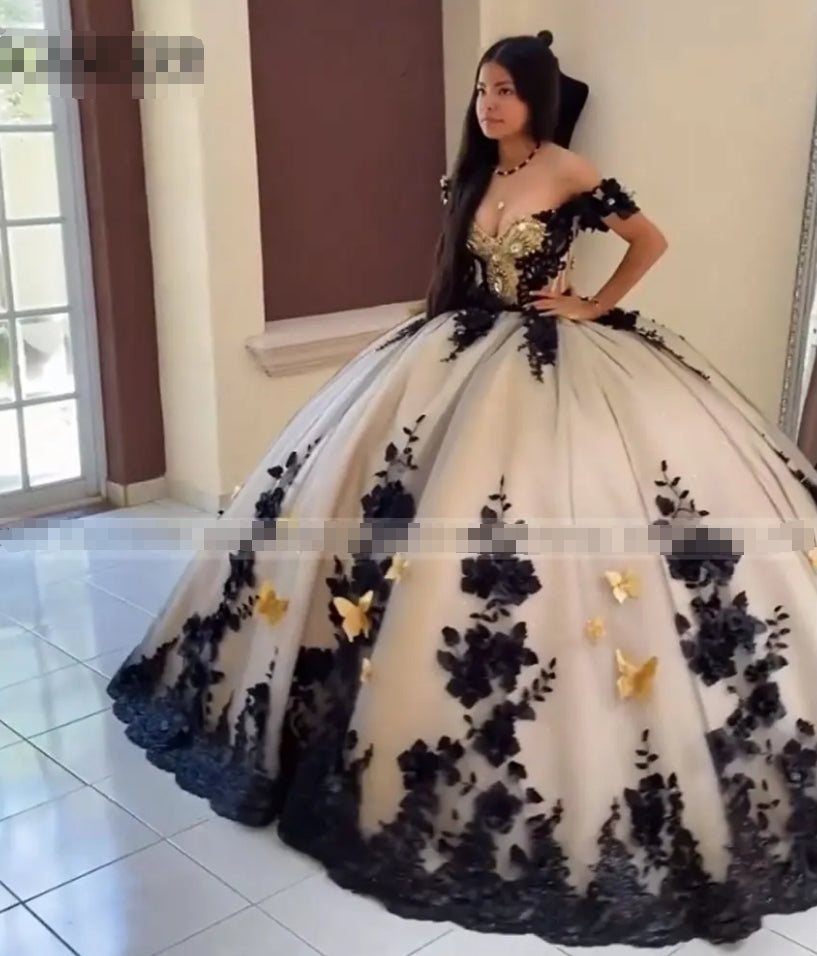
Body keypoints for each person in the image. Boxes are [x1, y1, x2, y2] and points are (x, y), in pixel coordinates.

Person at [108, 34, 817, 949]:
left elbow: (649, 239)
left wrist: (593, 304)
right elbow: (452, 269)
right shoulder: (469, 176)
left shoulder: (568, 169)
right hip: (457, 346)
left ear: (538, 99)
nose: (489, 104)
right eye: (483, 90)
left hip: (556, 360)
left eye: (506, 91)